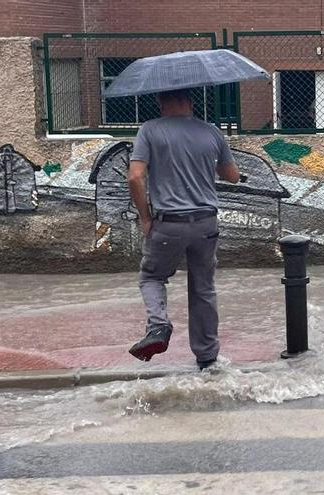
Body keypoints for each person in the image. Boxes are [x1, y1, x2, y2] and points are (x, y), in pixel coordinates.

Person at [126, 89, 241, 370]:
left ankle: (158, 327)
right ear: (190, 102)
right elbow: (232, 177)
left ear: (161, 102)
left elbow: (135, 177)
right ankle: (207, 358)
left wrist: (145, 217)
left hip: (169, 224)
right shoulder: (212, 132)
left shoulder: (149, 130)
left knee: (152, 277)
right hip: (206, 223)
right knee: (203, 288)